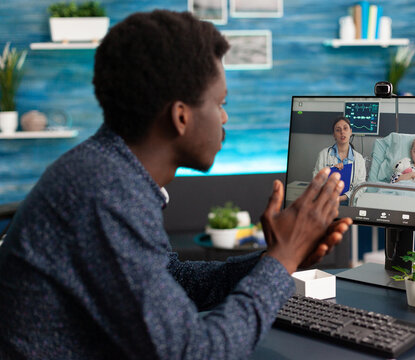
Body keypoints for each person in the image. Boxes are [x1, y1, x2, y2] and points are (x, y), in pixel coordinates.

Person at [0, 10, 352, 359]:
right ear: (181, 116)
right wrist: (280, 260)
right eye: (220, 103)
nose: (225, 117)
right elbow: (195, 353)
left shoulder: (110, 173)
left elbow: (173, 281)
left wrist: (274, 262)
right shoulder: (103, 195)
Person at [313, 116, 366, 204]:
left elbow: (361, 187)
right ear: (334, 135)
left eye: (345, 128)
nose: (342, 132)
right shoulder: (324, 154)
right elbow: (316, 180)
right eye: (338, 130)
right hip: (326, 202)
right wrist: (331, 170)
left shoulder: (359, 159)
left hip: (349, 203)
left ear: (350, 132)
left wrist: (342, 198)